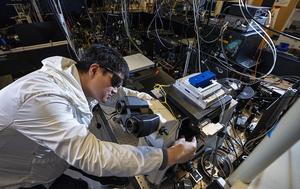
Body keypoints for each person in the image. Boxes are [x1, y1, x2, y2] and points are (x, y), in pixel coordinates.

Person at [0, 44, 197, 189]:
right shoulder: (43, 98)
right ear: (94, 69)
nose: (117, 89)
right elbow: (92, 156)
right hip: (20, 180)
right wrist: (170, 155)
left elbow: (121, 93)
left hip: (48, 161)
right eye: (116, 81)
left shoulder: (76, 80)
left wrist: (153, 100)